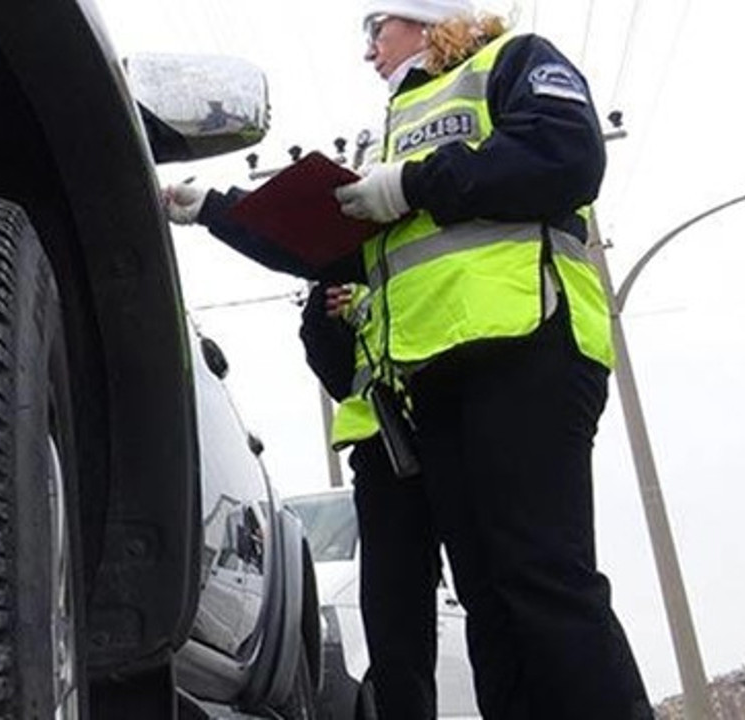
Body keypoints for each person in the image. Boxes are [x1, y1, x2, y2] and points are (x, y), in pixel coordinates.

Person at [325, 1, 653, 717]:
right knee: (488, 596)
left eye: (376, 29)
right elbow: (349, 249)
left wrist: (411, 184)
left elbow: (566, 155)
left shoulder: (512, 61)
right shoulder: (387, 131)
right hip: (434, 374)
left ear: (423, 19)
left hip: (528, 344)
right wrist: (215, 207)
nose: (369, 51)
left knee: (542, 576)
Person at [162, 150, 444, 719]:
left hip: (472, 412)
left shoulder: (437, 222)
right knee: (395, 632)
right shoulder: (356, 255)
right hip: (387, 445)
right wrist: (329, 321)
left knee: (517, 594)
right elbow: (336, 369)